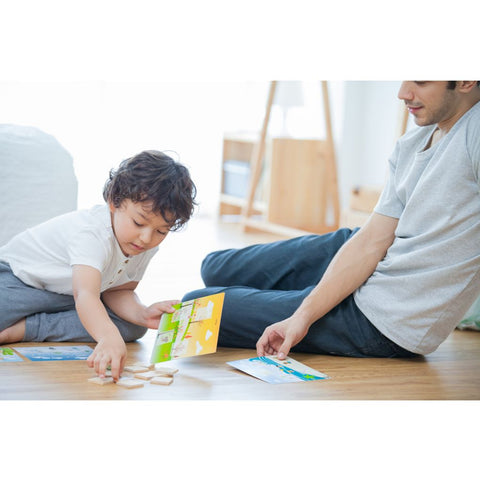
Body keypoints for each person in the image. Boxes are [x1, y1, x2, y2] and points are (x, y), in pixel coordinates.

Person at [183, 81, 480, 361]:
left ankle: (301, 298)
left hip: (383, 317)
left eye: (422, 81)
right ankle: (304, 296)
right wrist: (304, 310)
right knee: (215, 266)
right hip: (373, 253)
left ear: (466, 81)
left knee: (194, 307)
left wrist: (301, 317)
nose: (403, 92)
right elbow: (372, 239)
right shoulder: (414, 141)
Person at [0, 150, 197, 380]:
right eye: (138, 222)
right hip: (19, 281)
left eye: (161, 231)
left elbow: (119, 290)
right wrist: (106, 336)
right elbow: (85, 294)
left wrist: (142, 314)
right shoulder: (91, 233)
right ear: (114, 201)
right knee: (103, 323)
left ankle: (27, 328)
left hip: (72, 295)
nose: (146, 238)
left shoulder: (143, 244)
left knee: (133, 327)